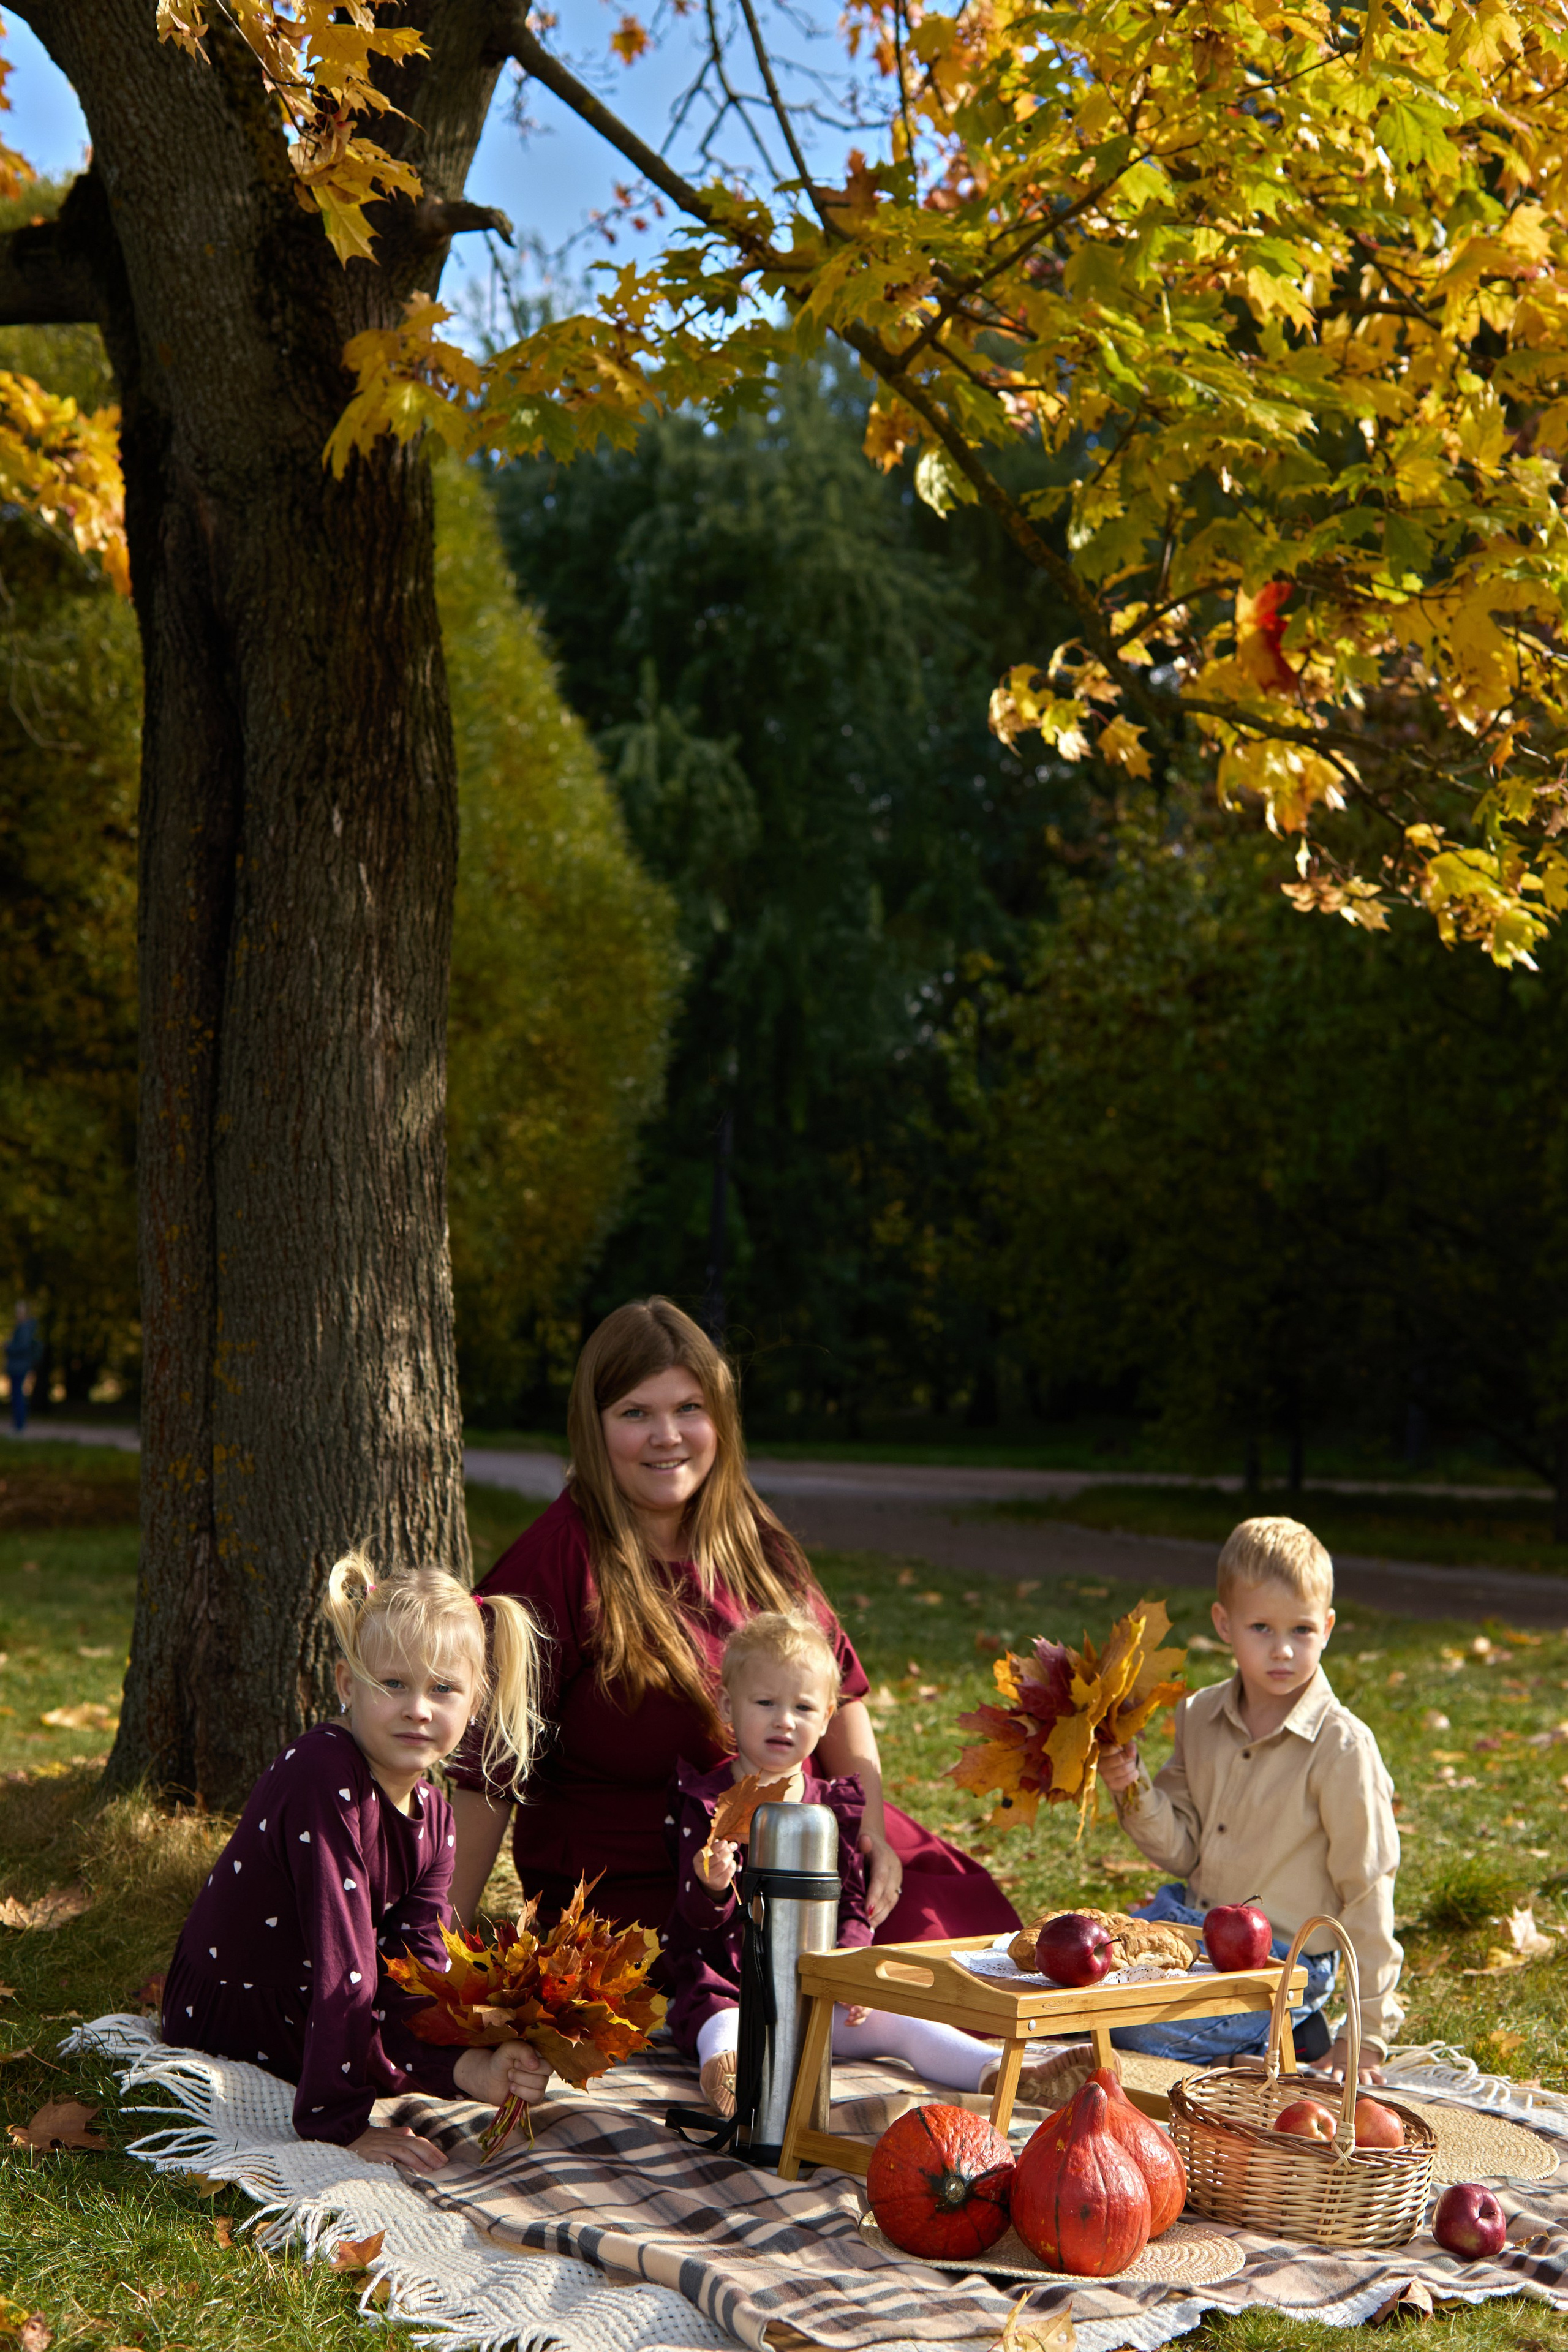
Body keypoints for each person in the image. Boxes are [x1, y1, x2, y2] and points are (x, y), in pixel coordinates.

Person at [448, 1296, 1018, 1949]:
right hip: (655, 1882)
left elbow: (840, 1692)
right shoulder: (551, 1566)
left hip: (797, 1842)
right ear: (594, 1426)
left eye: (689, 1409)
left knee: (965, 1937)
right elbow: (486, 1772)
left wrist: (873, 1833)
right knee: (858, 1988)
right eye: (636, 1413)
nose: (668, 1436)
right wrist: (438, 1955)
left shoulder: (751, 1542)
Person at [163, 1553, 552, 2171]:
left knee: (395, 1992)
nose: (418, 1708)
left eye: (443, 1689)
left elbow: (413, 1966)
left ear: (474, 1702)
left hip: (320, 2001)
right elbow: (343, 1957)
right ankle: (329, 2099)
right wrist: (340, 2126)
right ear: (348, 1685)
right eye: (393, 1684)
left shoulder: (437, 1817)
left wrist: (465, 2057)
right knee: (359, 1987)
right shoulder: (323, 1771)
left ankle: (465, 2071)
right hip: (239, 2006)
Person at [670, 1610, 1055, 2114]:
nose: (784, 1719)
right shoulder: (707, 1802)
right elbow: (693, 1921)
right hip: (734, 1983)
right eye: (765, 1703)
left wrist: (854, 1974)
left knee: (906, 2021)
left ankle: (997, 2071)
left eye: (803, 1707)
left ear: (828, 1717)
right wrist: (713, 1885)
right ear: (728, 1705)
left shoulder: (831, 1811)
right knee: (718, 2021)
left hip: (817, 1992)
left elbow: (850, 1906)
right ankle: (730, 2075)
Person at [1100, 1515, 1403, 2085]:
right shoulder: (1200, 1716)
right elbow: (1183, 1851)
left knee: (1123, 2029)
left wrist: (1368, 2036)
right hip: (1188, 1930)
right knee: (1075, 1989)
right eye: (1261, 1627)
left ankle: (1285, 2029)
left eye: (1303, 1630)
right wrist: (1131, 1786)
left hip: (1281, 1963)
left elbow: (1368, 1890)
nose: (1283, 1650)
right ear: (1224, 1624)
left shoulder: (1343, 1749)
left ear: (1329, 1627)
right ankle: (1253, 2043)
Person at [6, 1302, 40, 1433]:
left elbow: (23, 1347)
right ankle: (18, 1425)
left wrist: (9, 1348)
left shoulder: (24, 1328)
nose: (17, 1313)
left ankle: (19, 1426)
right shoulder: (22, 1327)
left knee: (18, 1395)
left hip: (19, 1366)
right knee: (17, 1394)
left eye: (20, 1311)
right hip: (18, 1366)